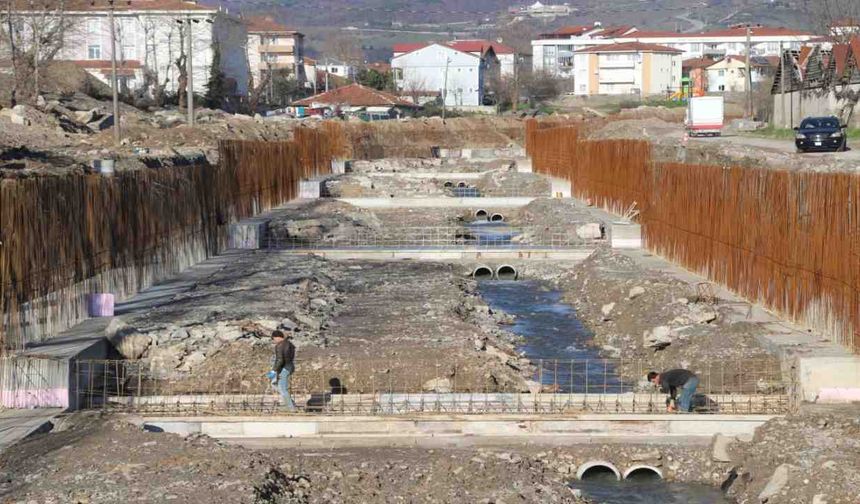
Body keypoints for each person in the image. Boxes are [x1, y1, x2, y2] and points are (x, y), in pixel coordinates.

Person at [266, 330, 297, 411]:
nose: (274, 341)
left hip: (284, 368)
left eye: (274, 339)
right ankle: (290, 404)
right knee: (276, 385)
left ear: (277, 337)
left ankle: (291, 408)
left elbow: (279, 360)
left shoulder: (279, 346)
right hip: (290, 367)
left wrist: (273, 371)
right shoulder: (290, 344)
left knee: (282, 388)